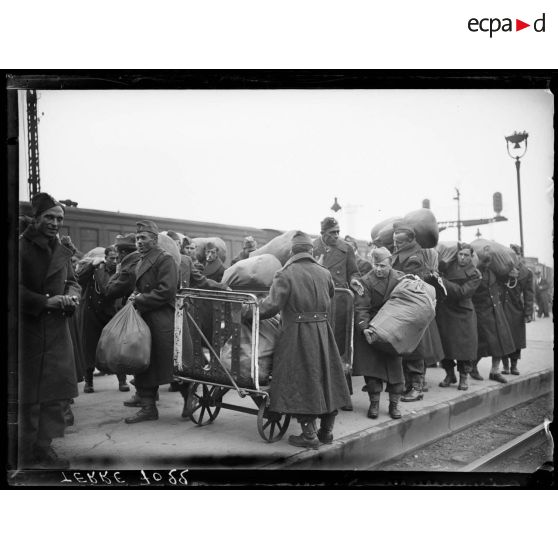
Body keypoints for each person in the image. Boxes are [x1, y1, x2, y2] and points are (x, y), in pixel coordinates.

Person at [248, 231, 352, 448]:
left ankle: (308, 435)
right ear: (311, 251)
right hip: (323, 332)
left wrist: (249, 312)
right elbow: (330, 295)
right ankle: (326, 432)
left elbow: (271, 307)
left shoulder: (285, 273)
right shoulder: (324, 273)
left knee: (300, 380)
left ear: (291, 252)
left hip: (296, 334)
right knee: (326, 378)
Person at [19, 192, 80, 468]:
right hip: (29, 329)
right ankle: (25, 451)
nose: (55, 223)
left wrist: (72, 296)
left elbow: (73, 281)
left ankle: (45, 447)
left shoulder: (61, 249)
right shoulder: (20, 248)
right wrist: (45, 301)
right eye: (50, 217)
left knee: (54, 394)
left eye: (59, 218)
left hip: (56, 329)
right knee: (29, 397)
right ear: (36, 218)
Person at [123, 220, 177, 423]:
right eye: (137, 238)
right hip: (146, 317)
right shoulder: (141, 260)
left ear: (154, 240)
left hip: (162, 319)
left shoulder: (165, 259)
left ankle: (189, 396)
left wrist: (140, 299)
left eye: (143, 238)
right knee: (144, 363)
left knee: (167, 365)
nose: (138, 242)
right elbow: (142, 287)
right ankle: (148, 407)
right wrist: (134, 295)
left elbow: (167, 290)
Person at [312, 217, 363, 411]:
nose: (336, 236)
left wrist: (355, 281)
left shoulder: (346, 248)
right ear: (323, 233)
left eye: (337, 232)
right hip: (319, 302)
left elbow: (354, 272)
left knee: (341, 348)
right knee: (321, 346)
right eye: (332, 232)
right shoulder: (313, 248)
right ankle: (322, 394)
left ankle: (344, 395)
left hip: (339, 304)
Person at [390, 220, 444, 401]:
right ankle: (409, 385)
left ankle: (416, 387)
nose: (396, 244)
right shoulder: (401, 253)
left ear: (410, 240)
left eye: (400, 242)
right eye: (395, 241)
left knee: (414, 349)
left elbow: (410, 280)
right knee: (405, 348)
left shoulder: (414, 257)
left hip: (412, 305)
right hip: (403, 306)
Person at [354, 247, 405, 419]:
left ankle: (394, 404)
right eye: (376, 265)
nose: (378, 269)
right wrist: (365, 328)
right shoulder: (365, 281)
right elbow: (361, 308)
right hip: (374, 328)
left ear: (390, 264)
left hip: (394, 328)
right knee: (373, 371)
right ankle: (374, 403)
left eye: (382, 265)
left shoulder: (401, 278)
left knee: (395, 369)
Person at [77, 245, 129, 393]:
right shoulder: (95, 269)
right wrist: (91, 266)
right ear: (105, 258)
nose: (114, 261)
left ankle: (122, 380)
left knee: (117, 347)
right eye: (111, 258)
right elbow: (79, 279)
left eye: (117, 258)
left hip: (112, 314)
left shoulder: (121, 271)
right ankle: (89, 382)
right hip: (92, 313)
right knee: (90, 347)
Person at [436, 243, 482, 390]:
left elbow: (463, 292)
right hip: (446, 311)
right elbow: (437, 269)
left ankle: (464, 377)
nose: (462, 258)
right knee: (445, 346)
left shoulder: (475, 274)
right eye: (460, 254)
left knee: (464, 348)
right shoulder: (448, 267)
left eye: (466, 255)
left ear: (471, 256)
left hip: (463, 312)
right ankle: (450, 374)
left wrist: (443, 281)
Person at [471, 250, 516, 383]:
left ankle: (495, 371)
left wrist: (512, 276)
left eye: (489, 261)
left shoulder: (493, 272)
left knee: (500, 341)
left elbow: (505, 280)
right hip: (482, 313)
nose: (486, 263)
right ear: (479, 260)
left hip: (496, 311)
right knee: (482, 343)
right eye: (484, 260)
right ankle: (472, 366)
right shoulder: (474, 273)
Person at [501, 244, 535, 375]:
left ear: (520, 256)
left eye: (516, 254)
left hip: (516, 310)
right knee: (503, 337)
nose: (513, 257)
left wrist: (528, 313)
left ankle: (514, 365)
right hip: (502, 308)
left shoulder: (526, 273)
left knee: (516, 338)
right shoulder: (502, 270)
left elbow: (529, 295)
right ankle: (505, 366)